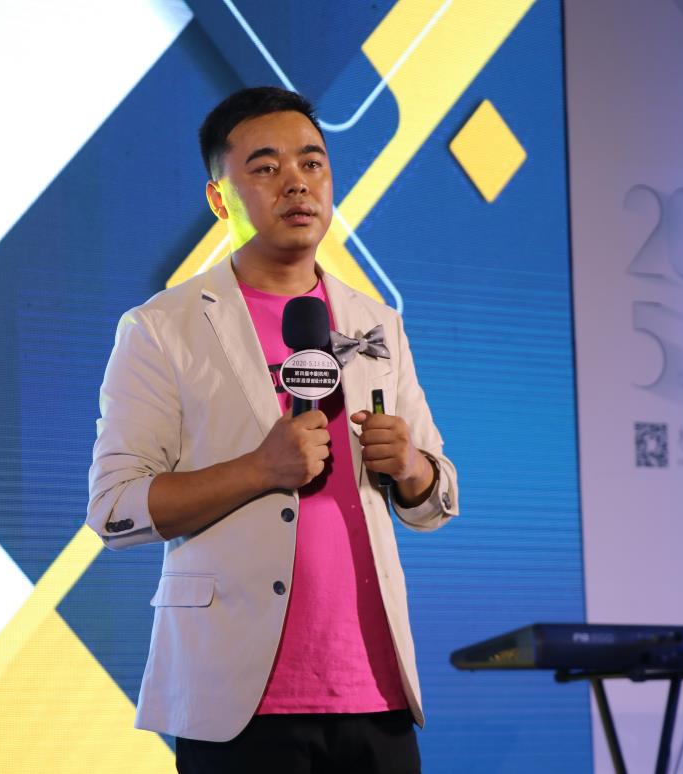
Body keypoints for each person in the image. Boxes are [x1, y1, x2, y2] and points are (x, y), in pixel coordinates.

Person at [87, 86, 458, 774]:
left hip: (375, 691)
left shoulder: (376, 322)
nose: (296, 182)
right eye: (265, 168)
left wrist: (411, 466)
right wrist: (259, 470)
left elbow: (434, 500)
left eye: (312, 163)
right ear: (219, 198)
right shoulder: (162, 327)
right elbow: (114, 510)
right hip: (237, 702)